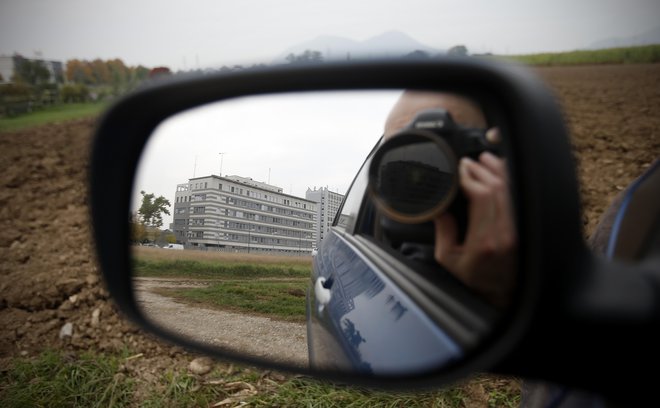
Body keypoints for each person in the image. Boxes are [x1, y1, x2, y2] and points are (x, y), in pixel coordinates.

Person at [382, 91, 517, 308]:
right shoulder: (393, 233)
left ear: (495, 155)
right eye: (403, 155)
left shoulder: (523, 229)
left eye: (446, 147)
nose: (425, 171)